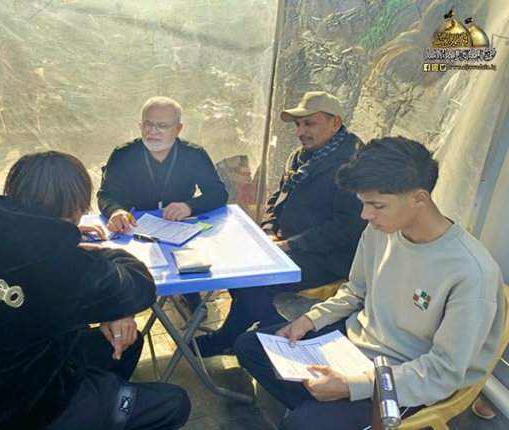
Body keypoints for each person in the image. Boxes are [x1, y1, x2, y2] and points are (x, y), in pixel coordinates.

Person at [234, 136, 506, 430]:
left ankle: (320, 412)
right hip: (353, 344)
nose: (365, 215)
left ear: (419, 198)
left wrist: (353, 386)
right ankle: (321, 409)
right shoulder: (381, 230)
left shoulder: (472, 273)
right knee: (251, 346)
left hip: (404, 375)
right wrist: (311, 320)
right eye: (363, 203)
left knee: (301, 425)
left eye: (376, 205)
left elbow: (443, 371)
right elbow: (357, 290)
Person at [0, 151, 191, 430]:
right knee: (175, 403)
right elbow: (139, 286)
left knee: (126, 343)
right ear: (76, 205)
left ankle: (105, 408)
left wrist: (69, 245)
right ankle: (102, 410)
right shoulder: (60, 265)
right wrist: (98, 256)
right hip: (15, 413)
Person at [195, 91, 366, 357]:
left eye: (309, 123)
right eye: (298, 124)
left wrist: (288, 244)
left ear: (335, 122)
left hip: (327, 257)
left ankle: (228, 339)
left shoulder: (353, 165)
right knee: (235, 265)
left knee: (258, 283)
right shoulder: (303, 156)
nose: (300, 132)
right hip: (288, 243)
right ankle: (261, 326)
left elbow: (345, 227)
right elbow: (279, 196)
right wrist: (268, 230)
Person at [97, 96, 228, 311]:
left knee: (189, 262)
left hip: (178, 227)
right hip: (134, 230)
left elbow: (218, 193)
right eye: (147, 124)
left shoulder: (194, 154)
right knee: (128, 276)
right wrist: (116, 211)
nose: (153, 131)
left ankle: (190, 293)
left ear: (178, 128)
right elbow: (106, 194)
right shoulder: (123, 154)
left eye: (162, 126)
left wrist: (189, 206)